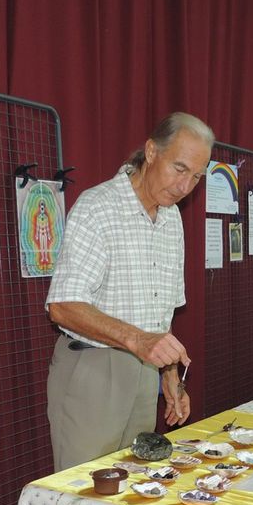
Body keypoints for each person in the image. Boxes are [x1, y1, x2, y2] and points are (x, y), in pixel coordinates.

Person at [45, 112, 214, 470]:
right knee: (87, 493)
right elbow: (62, 306)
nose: (185, 187)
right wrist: (138, 341)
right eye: (180, 168)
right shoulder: (98, 207)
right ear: (152, 151)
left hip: (144, 373)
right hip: (93, 369)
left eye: (197, 177)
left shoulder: (171, 218)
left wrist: (170, 377)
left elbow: (159, 315)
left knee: (136, 486)